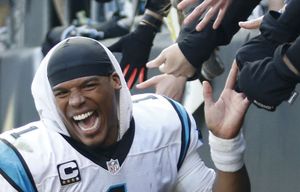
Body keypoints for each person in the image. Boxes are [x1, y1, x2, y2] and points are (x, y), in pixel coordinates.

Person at [0, 36, 250, 191]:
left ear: (116, 81)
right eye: (62, 93)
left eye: (89, 85)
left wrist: (227, 146)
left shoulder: (161, 122)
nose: (76, 100)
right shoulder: (25, 158)